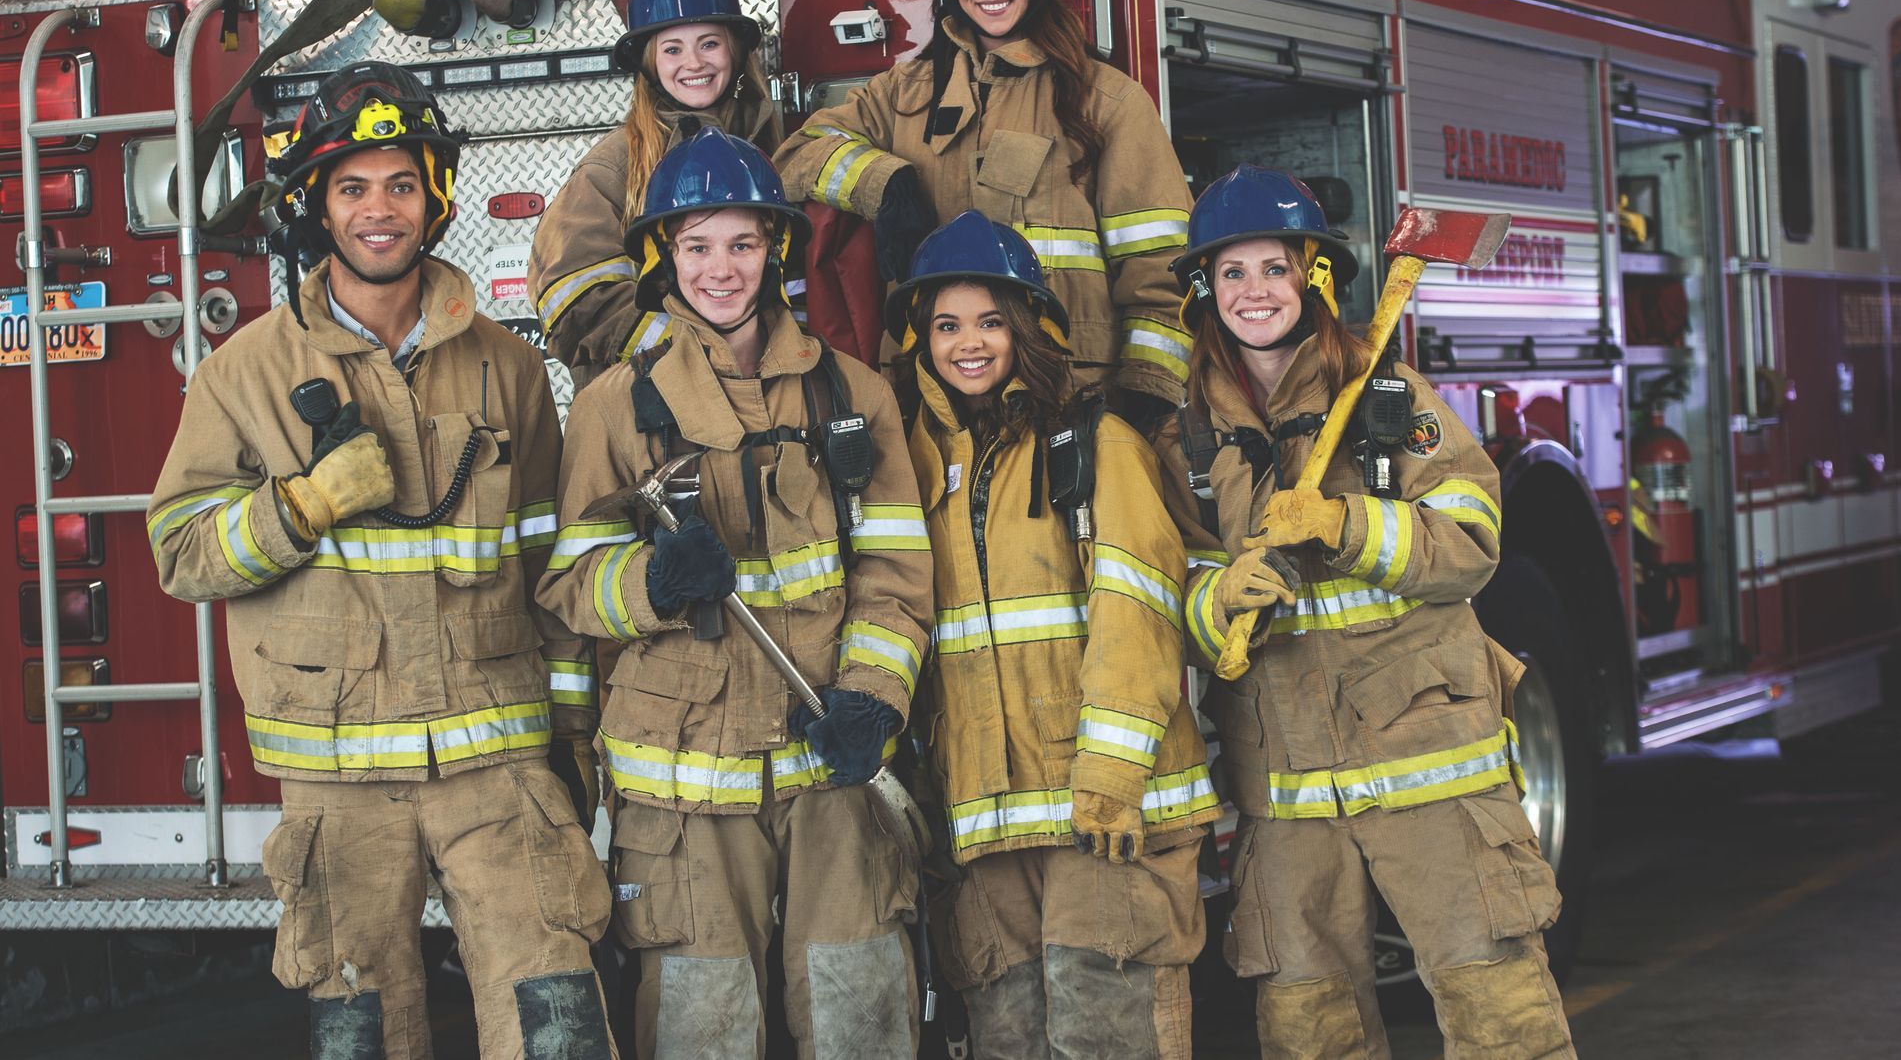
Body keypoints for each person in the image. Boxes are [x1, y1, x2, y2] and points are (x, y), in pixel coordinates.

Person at [147, 61, 614, 1059]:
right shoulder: (243, 375)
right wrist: (303, 507)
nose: (379, 210)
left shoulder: (508, 366)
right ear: (317, 203)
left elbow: (551, 569)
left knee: (555, 1024)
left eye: (401, 183)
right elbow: (183, 553)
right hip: (339, 776)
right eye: (353, 186)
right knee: (360, 1032)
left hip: (499, 763)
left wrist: (573, 739)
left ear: (434, 197)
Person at [1150, 164, 1578, 1059]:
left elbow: (1471, 540)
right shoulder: (1186, 441)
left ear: (1312, 278)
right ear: (1203, 291)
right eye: (1231, 273)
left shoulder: (1386, 399)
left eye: (1274, 269)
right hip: (1289, 789)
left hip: (1428, 759)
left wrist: (1346, 526)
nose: (1253, 292)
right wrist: (1217, 600)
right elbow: (1172, 593)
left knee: (1498, 1012)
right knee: (1311, 1028)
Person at [535, 126, 933, 1058]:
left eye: (744, 243)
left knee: (858, 1009)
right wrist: (655, 580)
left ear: (776, 250)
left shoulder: (854, 394)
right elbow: (570, 583)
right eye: (698, 244)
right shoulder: (611, 407)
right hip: (682, 788)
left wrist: (873, 701)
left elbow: (896, 575)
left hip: (829, 765)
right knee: (700, 1027)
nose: (722, 269)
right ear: (663, 256)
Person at [886, 211, 1218, 1058]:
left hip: (1100, 818)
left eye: (991, 322)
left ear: (1028, 330)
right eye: (947, 325)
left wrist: (1110, 773)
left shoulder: (1095, 445)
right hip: (987, 833)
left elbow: (1138, 607)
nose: (969, 344)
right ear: (920, 339)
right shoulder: (913, 464)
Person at [773, 0, 1192, 430]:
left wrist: (1144, 398)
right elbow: (794, 156)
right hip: (929, 404)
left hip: (1068, 398)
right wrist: (884, 184)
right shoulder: (901, 94)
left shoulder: (1106, 102)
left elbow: (1162, 268)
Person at [531, 0, 774, 389]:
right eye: (673, 49)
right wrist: (699, 351)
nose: (695, 63)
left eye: (710, 43)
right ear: (649, 62)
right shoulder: (614, 165)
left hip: (764, 386)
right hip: (653, 399)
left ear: (735, 51)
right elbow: (573, 304)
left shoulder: (770, 145)